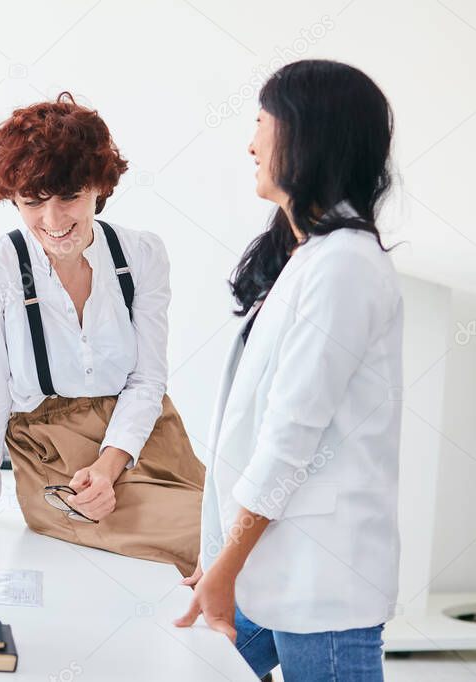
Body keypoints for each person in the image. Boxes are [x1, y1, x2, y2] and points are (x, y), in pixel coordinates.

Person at [175, 60, 402, 681]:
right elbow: (246, 429)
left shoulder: (346, 266)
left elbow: (288, 440)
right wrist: (219, 559)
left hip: (320, 583)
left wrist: (223, 568)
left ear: (307, 135)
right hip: (273, 567)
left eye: (261, 123)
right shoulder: (311, 257)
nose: (250, 142)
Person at [0, 93, 205, 577]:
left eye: (70, 197)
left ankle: (224, 650)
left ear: (98, 187)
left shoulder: (142, 255)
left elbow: (148, 380)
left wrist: (111, 466)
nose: (53, 221)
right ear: (13, 198)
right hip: (56, 459)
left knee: (250, 535)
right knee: (212, 540)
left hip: (150, 441)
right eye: (33, 202)